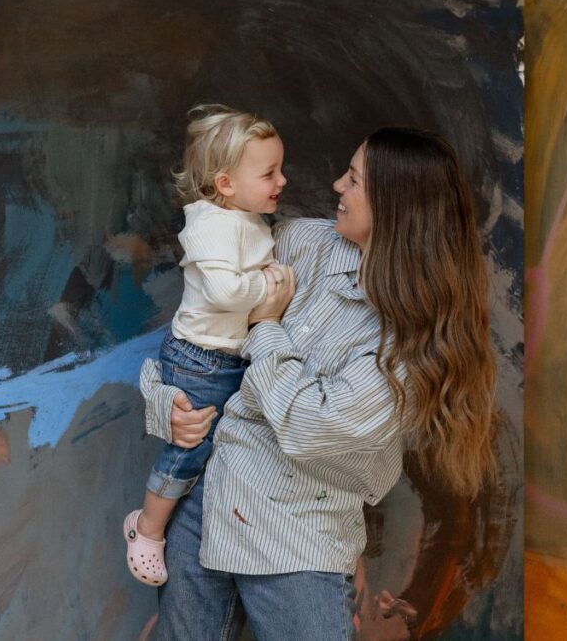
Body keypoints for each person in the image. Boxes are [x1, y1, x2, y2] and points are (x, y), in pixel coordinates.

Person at [139, 127, 498, 639]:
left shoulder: (411, 341)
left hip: (299, 536)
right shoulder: (302, 241)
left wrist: (265, 328)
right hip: (204, 503)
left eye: (353, 180)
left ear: (395, 207)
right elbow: (199, 330)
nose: (335, 186)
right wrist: (164, 404)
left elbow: (312, 429)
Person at [123, 104, 290, 586]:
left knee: (218, 449)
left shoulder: (247, 218)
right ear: (225, 185)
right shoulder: (211, 226)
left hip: (224, 359)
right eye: (269, 173)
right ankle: (147, 528)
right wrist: (270, 292)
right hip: (199, 361)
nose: (281, 180)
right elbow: (223, 293)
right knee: (188, 448)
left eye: (281, 168)